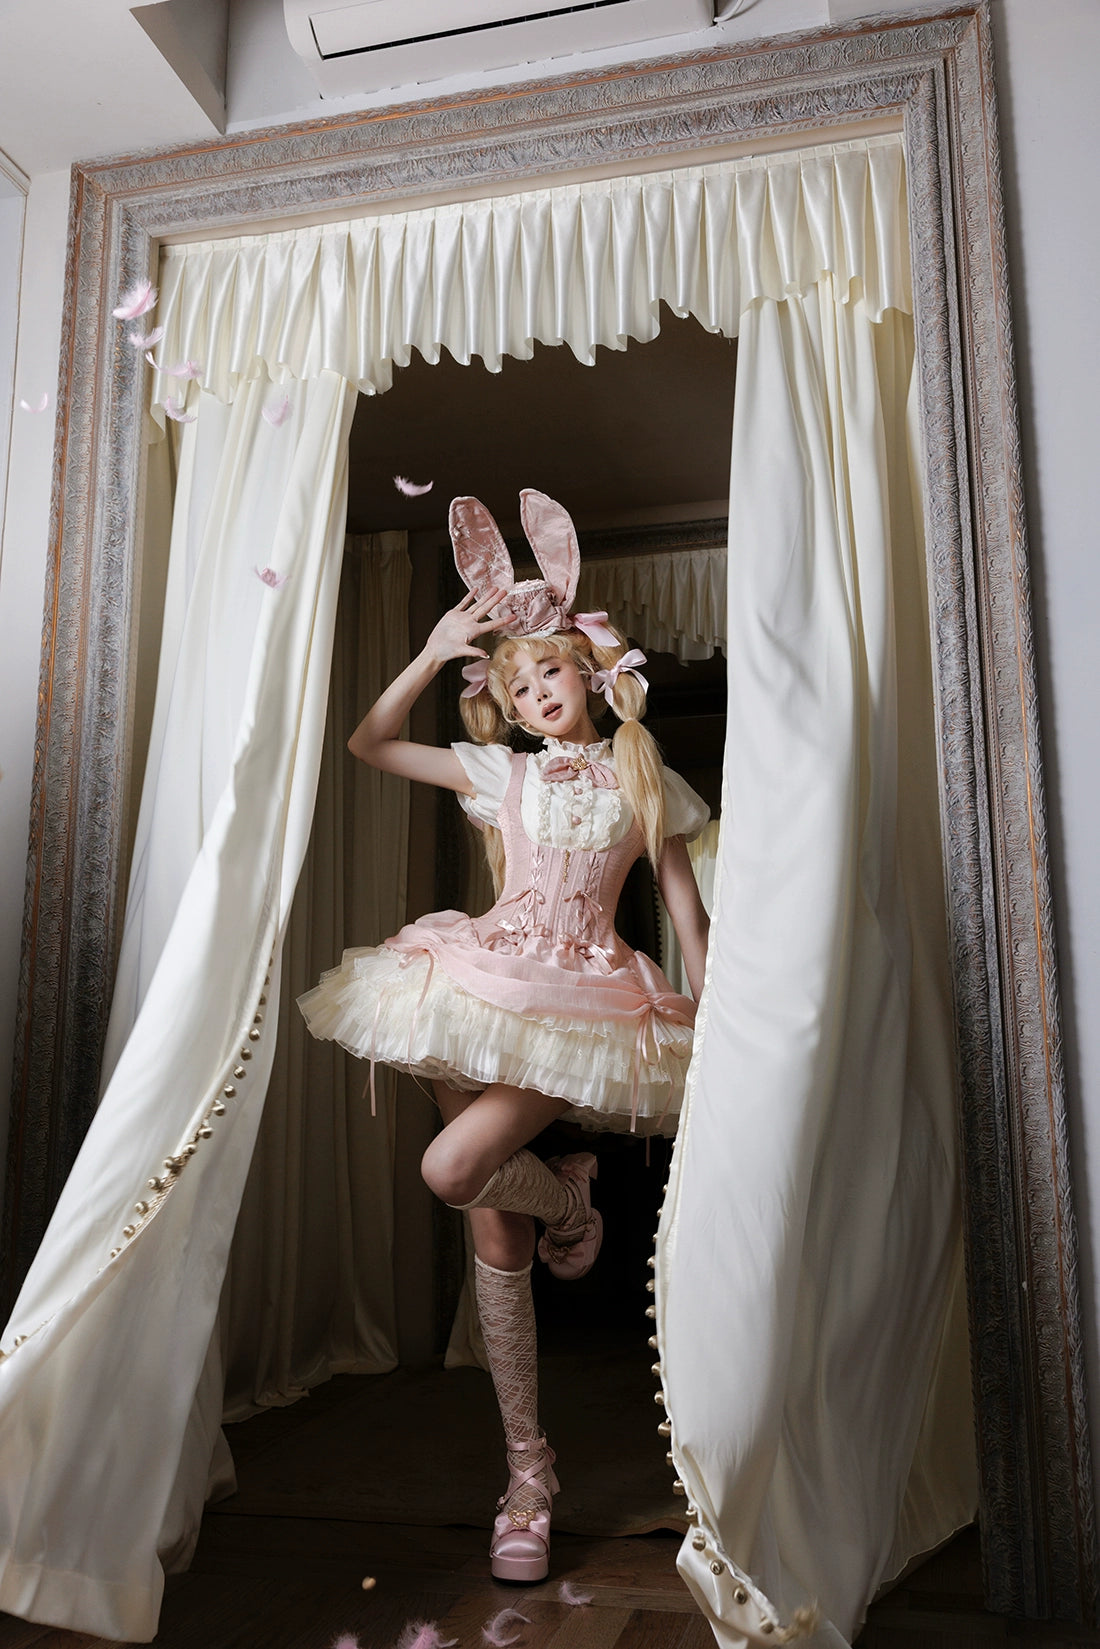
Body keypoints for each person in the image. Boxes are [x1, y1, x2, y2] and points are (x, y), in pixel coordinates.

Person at [299, 489, 711, 1583]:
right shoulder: (503, 773)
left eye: (549, 674)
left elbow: (686, 920)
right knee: (493, 1228)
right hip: (469, 985)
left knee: (453, 1167)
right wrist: (436, 652)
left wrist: (715, 1020)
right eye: (518, 688)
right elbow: (369, 742)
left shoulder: (645, 775)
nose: (534, 698)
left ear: (588, 670)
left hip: (577, 1002)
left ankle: (570, 1199)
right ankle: (526, 1476)